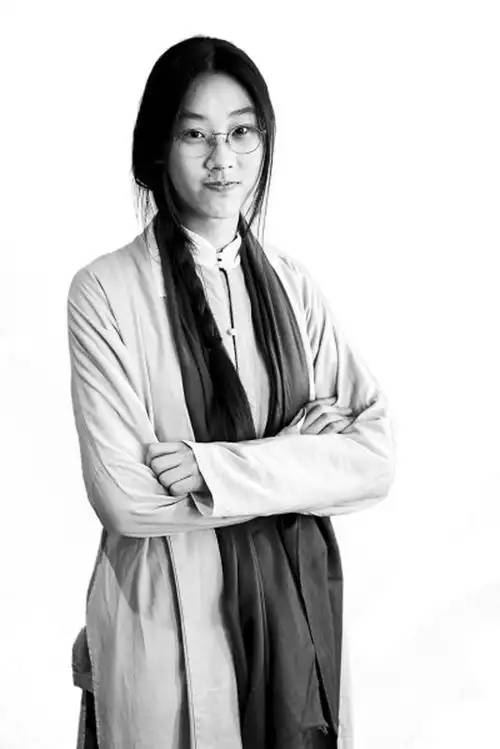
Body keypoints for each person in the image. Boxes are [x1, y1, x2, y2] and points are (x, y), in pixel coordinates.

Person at [67, 35, 395, 749]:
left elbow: (373, 459)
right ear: (158, 148)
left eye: (242, 131)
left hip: (296, 615)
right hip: (165, 613)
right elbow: (126, 496)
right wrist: (301, 459)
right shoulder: (106, 291)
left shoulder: (293, 284)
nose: (224, 158)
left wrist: (213, 468)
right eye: (196, 135)